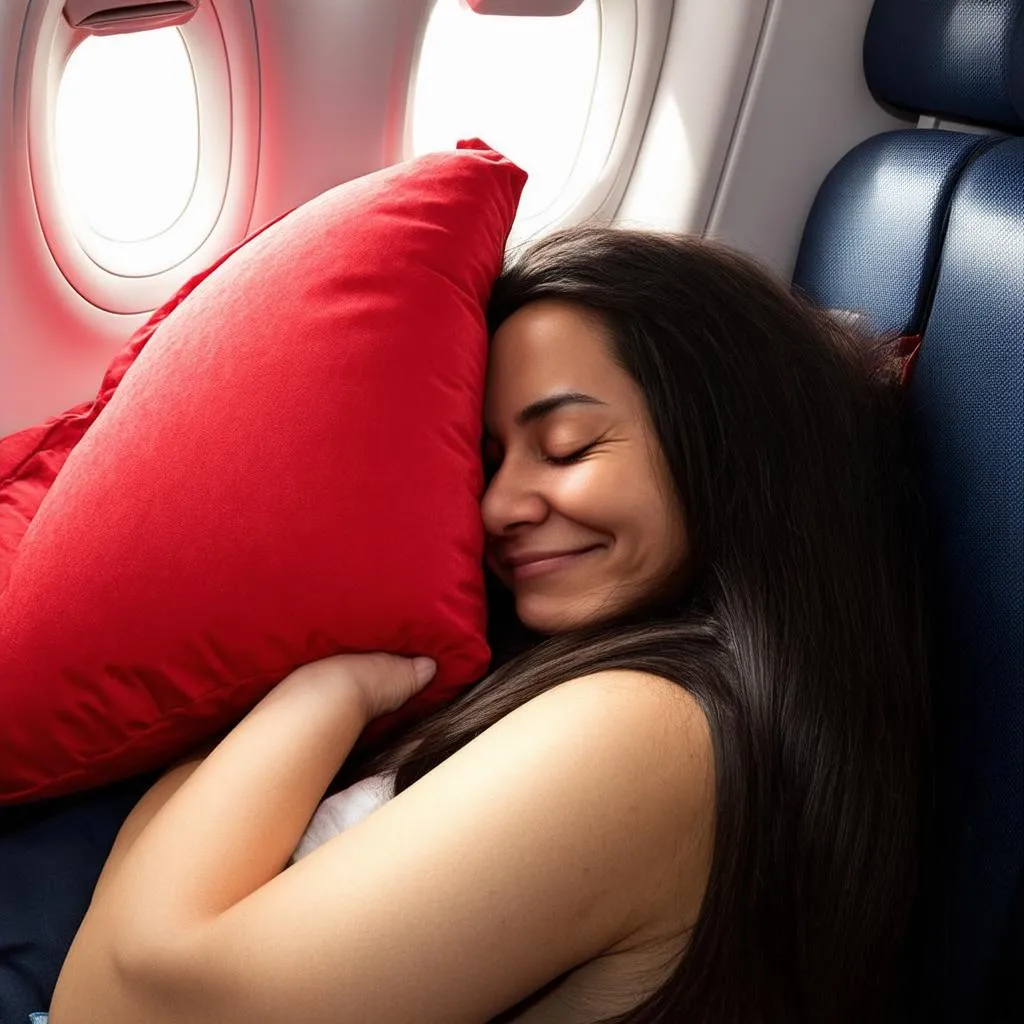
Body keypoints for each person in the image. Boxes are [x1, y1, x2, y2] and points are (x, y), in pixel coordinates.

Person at [48, 226, 931, 1024]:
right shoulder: (582, 674)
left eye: (569, 448)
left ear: (731, 451)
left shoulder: (652, 737)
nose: (500, 505)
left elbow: (130, 1006)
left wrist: (328, 685)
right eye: (491, 459)